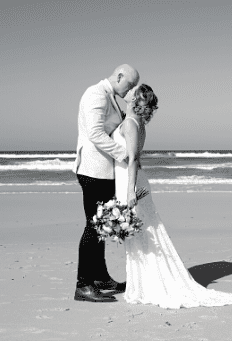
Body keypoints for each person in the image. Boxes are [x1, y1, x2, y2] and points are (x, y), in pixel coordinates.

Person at [111, 84, 232, 308]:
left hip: (131, 182)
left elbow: (133, 159)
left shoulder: (132, 124)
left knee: (145, 234)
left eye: (132, 92)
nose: (128, 93)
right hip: (129, 179)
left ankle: (150, 285)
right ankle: (144, 283)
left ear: (137, 101)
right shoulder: (133, 121)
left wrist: (129, 192)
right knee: (141, 234)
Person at [72, 64, 139, 302]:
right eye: (129, 84)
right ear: (119, 76)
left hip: (104, 172)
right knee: (93, 226)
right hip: (93, 171)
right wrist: (124, 154)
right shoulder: (95, 94)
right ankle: (83, 285)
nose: (130, 90)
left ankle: (100, 278)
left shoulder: (111, 97)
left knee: (101, 226)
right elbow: (95, 133)